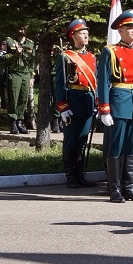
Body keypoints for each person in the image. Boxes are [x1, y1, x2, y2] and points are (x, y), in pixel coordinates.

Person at [96, 9, 133, 203]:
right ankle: (114, 188)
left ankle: (129, 186)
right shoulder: (110, 51)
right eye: (130, 27)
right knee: (116, 146)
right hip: (119, 100)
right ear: (120, 29)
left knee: (131, 146)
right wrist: (104, 108)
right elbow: (102, 82)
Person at [55, 18, 97, 188]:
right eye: (82, 32)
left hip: (88, 101)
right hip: (72, 102)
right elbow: (59, 83)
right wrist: (63, 106)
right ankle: (71, 176)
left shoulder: (92, 57)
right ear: (73, 36)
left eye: (87, 32)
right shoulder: (65, 57)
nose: (86, 35)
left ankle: (80, 175)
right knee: (71, 140)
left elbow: (95, 82)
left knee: (82, 139)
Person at [1, 25, 35, 134]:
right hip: (14, 73)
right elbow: (1, 57)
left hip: (26, 74)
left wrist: (32, 76)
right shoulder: (9, 41)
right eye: (20, 27)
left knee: (23, 99)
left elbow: (32, 61)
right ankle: (13, 122)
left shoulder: (30, 43)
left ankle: (20, 122)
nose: (22, 30)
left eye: (25, 28)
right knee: (13, 99)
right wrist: (15, 55)